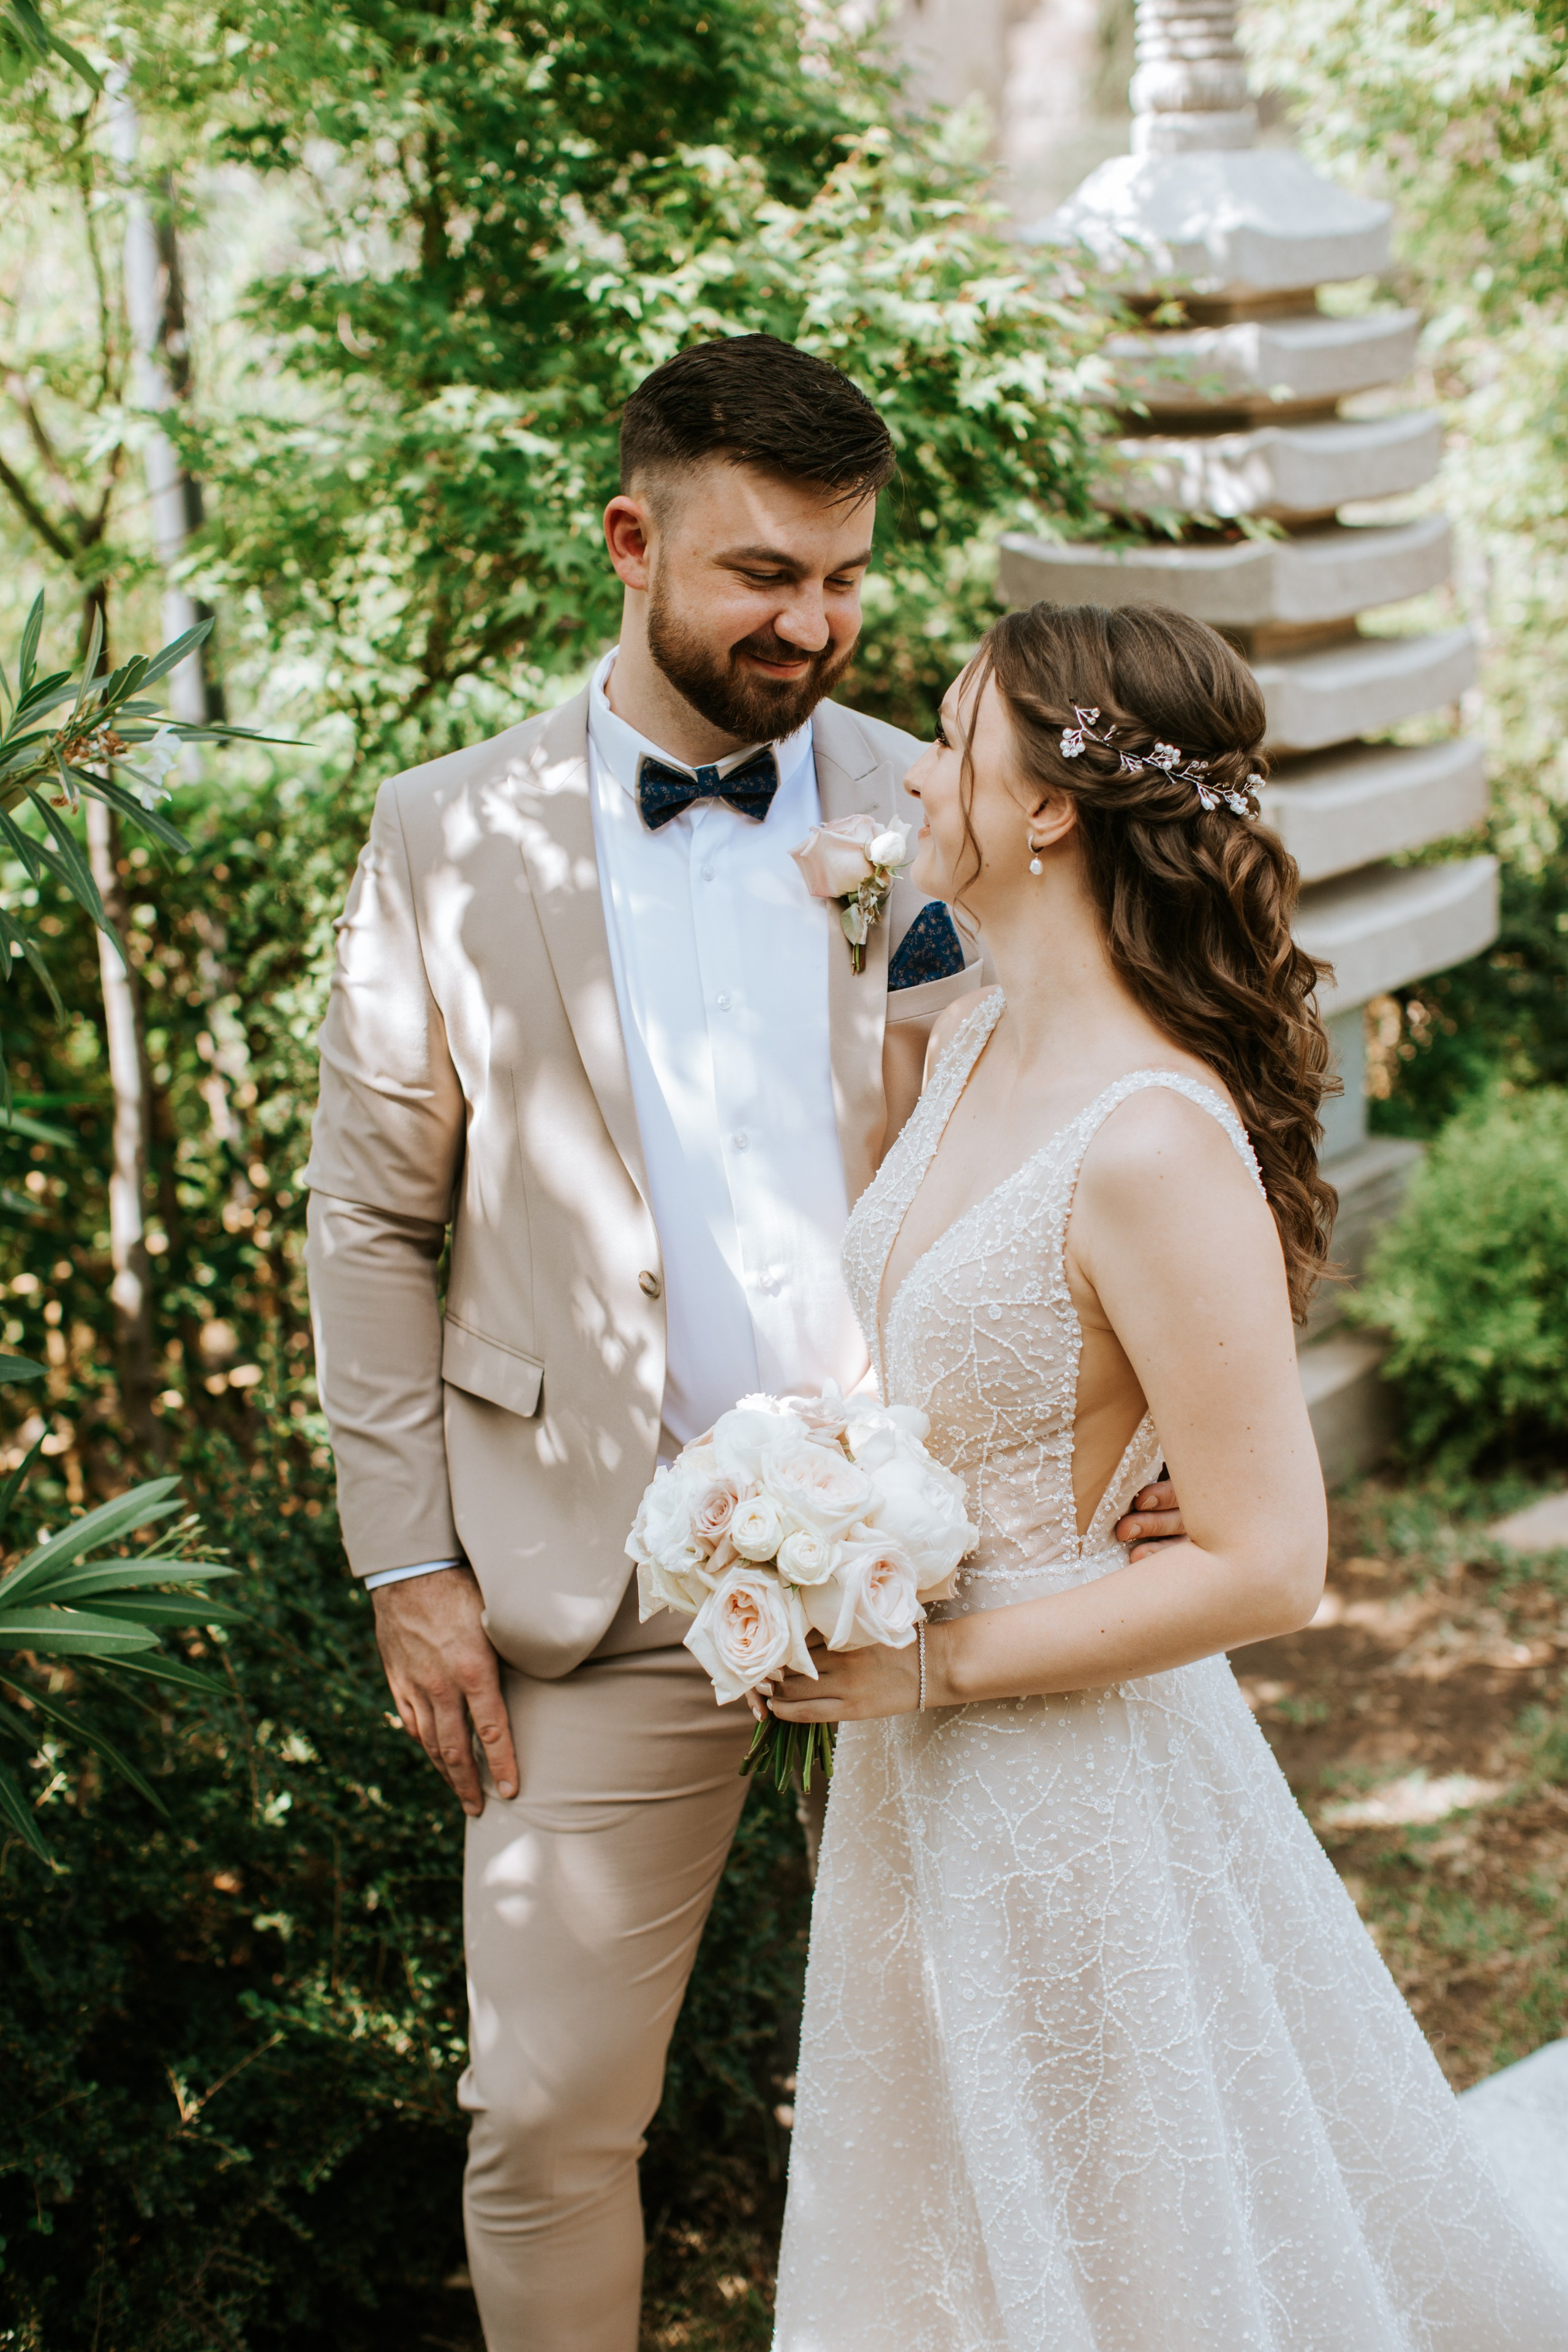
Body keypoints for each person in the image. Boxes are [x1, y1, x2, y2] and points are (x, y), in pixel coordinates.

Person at [304, 335, 1192, 2351]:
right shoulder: (450, 835)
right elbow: (369, 1216)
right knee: (541, 2115)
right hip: (595, 1579)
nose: (814, 624)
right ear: (631, 541)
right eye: (762, 575)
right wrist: (409, 1559)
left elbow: (1125, 1124)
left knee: (1051, 2095)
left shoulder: (953, 803)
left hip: (966, 1551)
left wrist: (1164, 1459)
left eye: (847, 578)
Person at [764, 600, 1568, 2348]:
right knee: (961, 2232)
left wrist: (930, 1661)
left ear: (1052, 802)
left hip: (1076, 1777)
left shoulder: (1149, 1137)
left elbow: (1276, 1565)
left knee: (1134, 2246)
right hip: (924, 1774)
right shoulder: (966, 1032)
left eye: (956, 734)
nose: (913, 767)